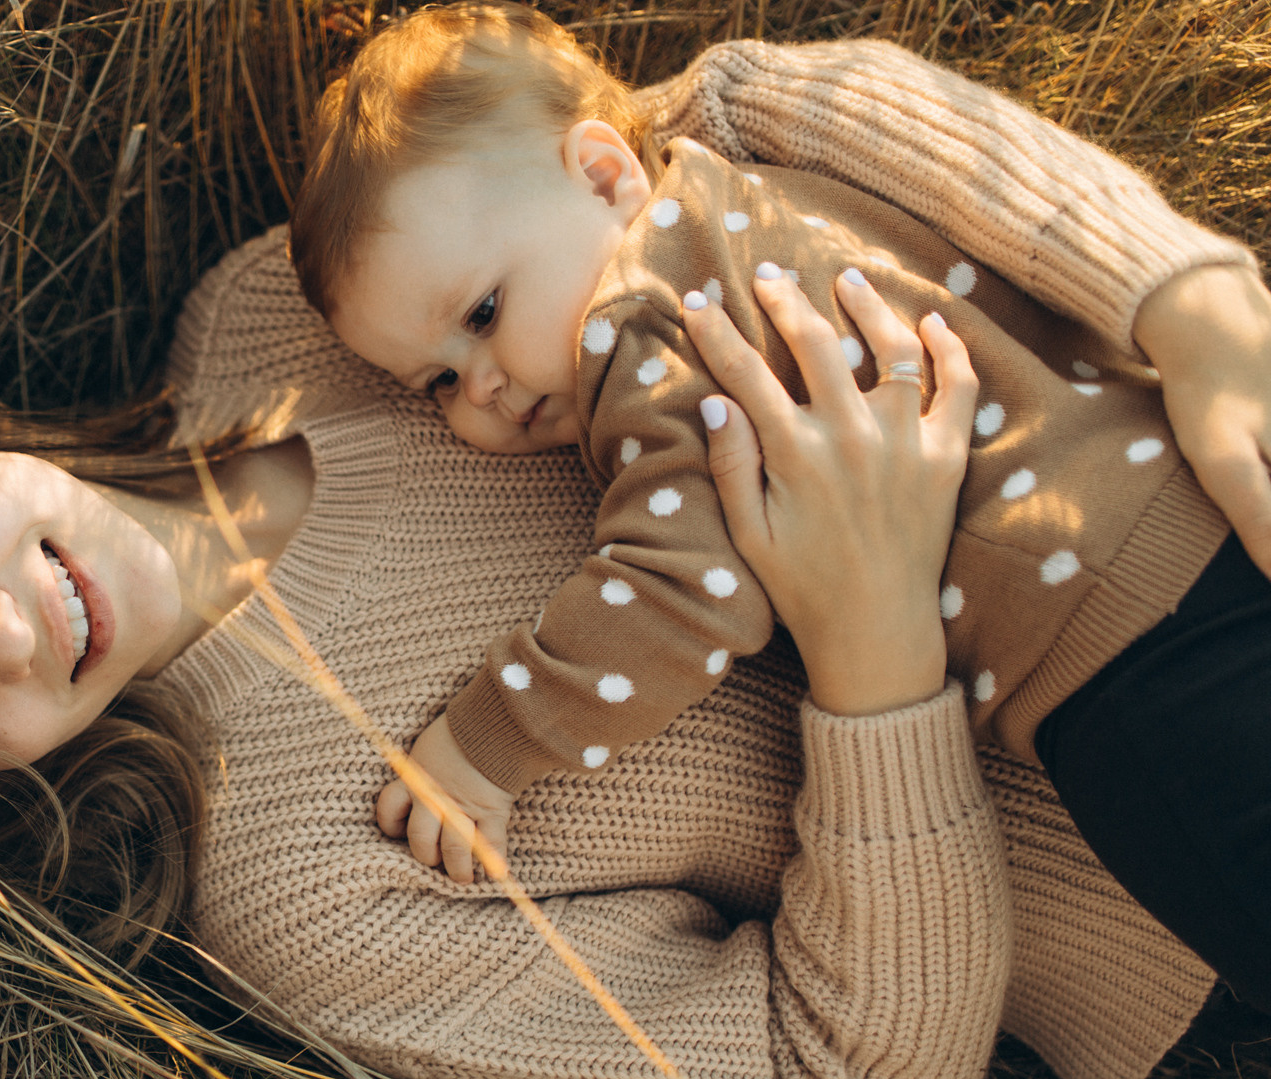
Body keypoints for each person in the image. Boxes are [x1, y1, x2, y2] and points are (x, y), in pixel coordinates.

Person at [0, 36, 1271, 1079]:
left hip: (1198, 469)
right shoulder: (301, 896)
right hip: (1176, 806)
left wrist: (1186, 297)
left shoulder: (279, 307)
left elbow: (726, 127)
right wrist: (869, 645)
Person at [280, 5, 1270, 1011]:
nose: (481, 386)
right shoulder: (753, 196)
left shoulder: (645, 332)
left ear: (606, 175)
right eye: (437, 384)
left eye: (484, 315)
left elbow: (681, 590)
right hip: (1183, 493)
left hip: (1116, 655)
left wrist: (487, 742)